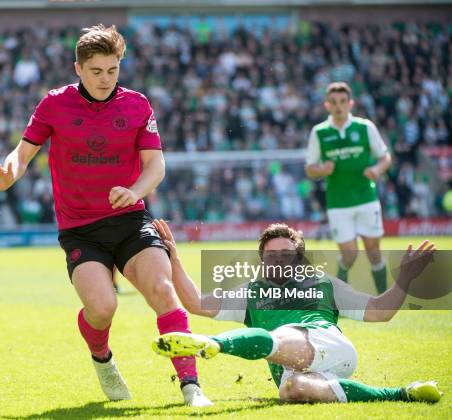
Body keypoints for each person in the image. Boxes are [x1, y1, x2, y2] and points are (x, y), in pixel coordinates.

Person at [0, 24, 210, 406]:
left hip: (130, 220)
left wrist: (135, 192)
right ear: (78, 68)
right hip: (80, 230)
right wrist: (9, 175)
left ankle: (191, 386)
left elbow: (156, 165)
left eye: (113, 70)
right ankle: (102, 358)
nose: (105, 79)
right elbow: (21, 155)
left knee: (162, 289)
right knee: (103, 308)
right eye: (96, 71)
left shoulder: (137, 105)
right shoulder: (54, 103)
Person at [150, 219, 442, 404]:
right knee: (292, 390)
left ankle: (215, 344)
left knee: (281, 334)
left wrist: (405, 278)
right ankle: (402, 393)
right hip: (295, 368)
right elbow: (195, 302)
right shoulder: (250, 291)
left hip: (330, 345)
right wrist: (174, 259)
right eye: (271, 255)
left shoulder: (324, 284)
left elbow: (380, 311)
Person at [305, 82, 392, 293]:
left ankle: (383, 299)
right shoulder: (319, 132)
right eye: (334, 102)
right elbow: (309, 168)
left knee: (373, 251)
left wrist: (378, 170)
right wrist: (322, 169)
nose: (338, 106)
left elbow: (385, 157)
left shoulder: (365, 127)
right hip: (338, 203)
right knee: (350, 255)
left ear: (350, 103)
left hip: (366, 198)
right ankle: (341, 294)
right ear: (327, 105)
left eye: (343, 101)